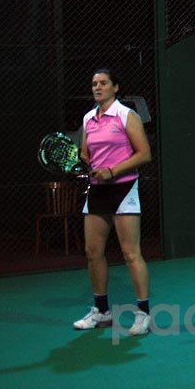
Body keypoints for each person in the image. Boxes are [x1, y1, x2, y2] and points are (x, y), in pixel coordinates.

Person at [72, 68, 153, 336]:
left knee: (130, 253)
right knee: (93, 251)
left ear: (115, 87)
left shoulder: (126, 115)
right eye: (94, 84)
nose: (97, 87)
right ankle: (102, 312)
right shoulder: (88, 119)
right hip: (98, 191)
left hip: (124, 188)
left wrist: (112, 171)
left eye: (103, 83)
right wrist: (88, 163)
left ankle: (143, 314)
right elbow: (86, 154)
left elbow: (144, 154)